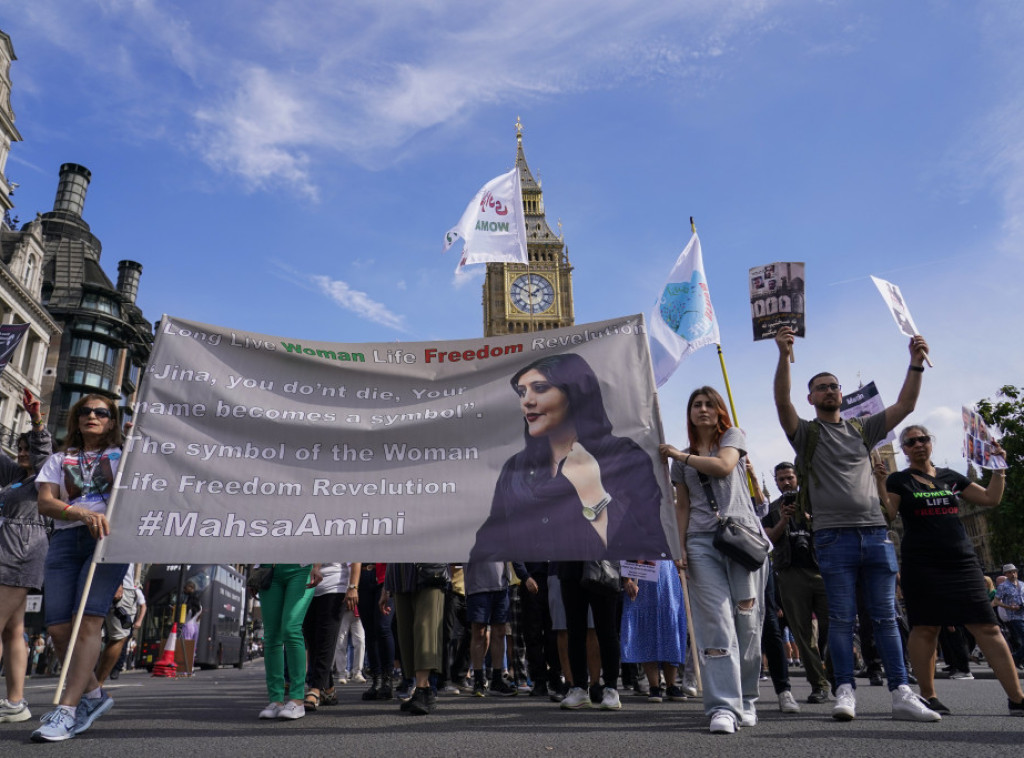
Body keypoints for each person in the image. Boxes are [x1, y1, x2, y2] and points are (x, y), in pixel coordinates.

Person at [772, 325, 939, 723]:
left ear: (841, 395)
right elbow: (781, 403)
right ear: (811, 398)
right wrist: (783, 356)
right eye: (822, 388)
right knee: (842, 619)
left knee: (884, 617)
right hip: (831, 537)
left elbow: (906, 405)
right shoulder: (807, 433)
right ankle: (844, 690)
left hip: (876, 533)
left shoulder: (863, 428)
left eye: (835, 386)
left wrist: (915, 364)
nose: (830, 391)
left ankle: (901, 691)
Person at [878, 425, 1023, 715]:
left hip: (962, 560)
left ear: (930, 443)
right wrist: (880, 483)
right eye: (911, 442)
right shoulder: (898, 480)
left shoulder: (950, 477)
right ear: (903, 449)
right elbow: (887, 516)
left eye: (923, 439)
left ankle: (1017, 699)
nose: (918, 444)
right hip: (922, 562)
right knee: (926, 627)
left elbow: (990, 499)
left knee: (988, 627)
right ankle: (929, 696)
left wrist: (999, 468)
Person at [471, 354, 671, 562]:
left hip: (600, 588)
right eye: (522, 392)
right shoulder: (515, 468)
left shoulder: (623, 457)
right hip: (535, 589)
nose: (527, 401)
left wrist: (592, 492)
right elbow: (487, 546)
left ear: (575, 392)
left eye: (540, 388)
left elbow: (649, 543)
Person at [659, 386, 767, 735]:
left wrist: (680, 455)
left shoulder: (732, 438)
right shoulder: (681, 460)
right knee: (715, 624)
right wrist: (680, 547)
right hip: (701, 542)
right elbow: (682, 505)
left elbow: (723, 466)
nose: (703, 409)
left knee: (747, 622)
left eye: (709, 404)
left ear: (719, 410)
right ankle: (723, 706)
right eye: (696, 405)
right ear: (689, 413)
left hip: (741, 538)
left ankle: (747, 697)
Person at [32, 394, 129, 742]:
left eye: (101, 412)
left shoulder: (124, 455)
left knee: (88, 620)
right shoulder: (60, 459)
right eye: (85, 411)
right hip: (64, 540)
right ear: (76, 418)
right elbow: (46, 502)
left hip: (107, 542)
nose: (92, 416)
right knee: (58, 629)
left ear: (112, 421)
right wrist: (81, 513)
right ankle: (94, 696)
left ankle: (67, 710)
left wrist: (138, 445)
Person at [761, 462, 831, 704]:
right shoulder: (772, 509)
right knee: (802, 634)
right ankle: (819, 685)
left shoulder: (815, 502)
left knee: (832, 627)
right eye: (780, 479)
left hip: (821, 570)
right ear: (776, 482)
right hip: (790, 574)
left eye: (789, 477)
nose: (786, 482)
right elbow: (769, 538)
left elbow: (829, 530)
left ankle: (835, 675)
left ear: (797, 478)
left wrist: (809, 518)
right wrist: (784, 519)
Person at [0, 390, 50, 724]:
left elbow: (43, 451)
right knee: (12, 630)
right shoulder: (17, 479)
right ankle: (15, 703)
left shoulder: (46, 477)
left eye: (26, 449)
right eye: (18, 448)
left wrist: (36, 420)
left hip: (20, 551)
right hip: (11, 548)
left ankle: (15, 702)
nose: (22, 454)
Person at [381, 563, 449, 716]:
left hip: (431, 570)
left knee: (425, 629)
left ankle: (423, 688)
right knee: (406, 633)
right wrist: (386, 587)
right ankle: (421, 689)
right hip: (400, 574)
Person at [257, 563, 322, 721]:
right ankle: (275, 700)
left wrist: (317, 566)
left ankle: (297, 699)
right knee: (272, 635)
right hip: (268, 568)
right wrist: (255, 572)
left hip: (301, 567)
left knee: (291, 628)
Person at [620, 560, 688, 703]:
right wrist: (627, 579)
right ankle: (654, 686)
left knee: (670, 626)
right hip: (641, 569)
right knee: (646, 629)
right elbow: (624, 548)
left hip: (667, 572)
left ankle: (671, 684)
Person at [302, 562, 360, 710]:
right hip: (305, 586)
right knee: (312, 641)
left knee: (325, 639)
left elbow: (355, 558)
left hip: (334, 586)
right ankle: (328, 689)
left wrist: (353, 586)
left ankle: (315, 689)